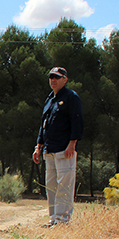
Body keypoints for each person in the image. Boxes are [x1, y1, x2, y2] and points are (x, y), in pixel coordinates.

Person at [32, 67, 84, 227]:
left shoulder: (71, 97)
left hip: (64, 149)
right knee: (52, 187)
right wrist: (38, 146)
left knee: (64, 186)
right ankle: (53, 219)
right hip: (49, 149)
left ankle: (62, 221)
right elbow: (44, 125)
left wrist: (72, 144)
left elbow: (77, 122)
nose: (53, 80)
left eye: (57, 77)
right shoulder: (50, 100)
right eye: (51, 77)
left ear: (65, 79)